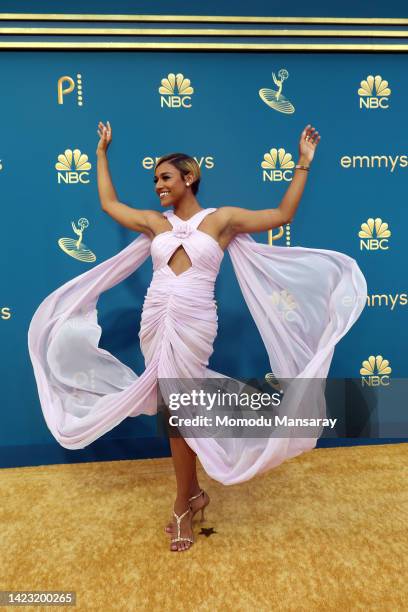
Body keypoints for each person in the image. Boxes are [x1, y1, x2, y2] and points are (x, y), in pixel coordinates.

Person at [28, 122, 367, 553]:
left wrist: (303, 161)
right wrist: (100, 153)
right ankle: (188, 497)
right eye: (154, 180)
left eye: (165, 178)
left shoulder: (221, 220)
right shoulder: (155, 223)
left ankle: (184, 501)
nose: (158, 187)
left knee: (181, 407)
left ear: (189, 178)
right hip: (155, 319)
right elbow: (110, 204)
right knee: (174, 409)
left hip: (194, 322)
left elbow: (281, 216)